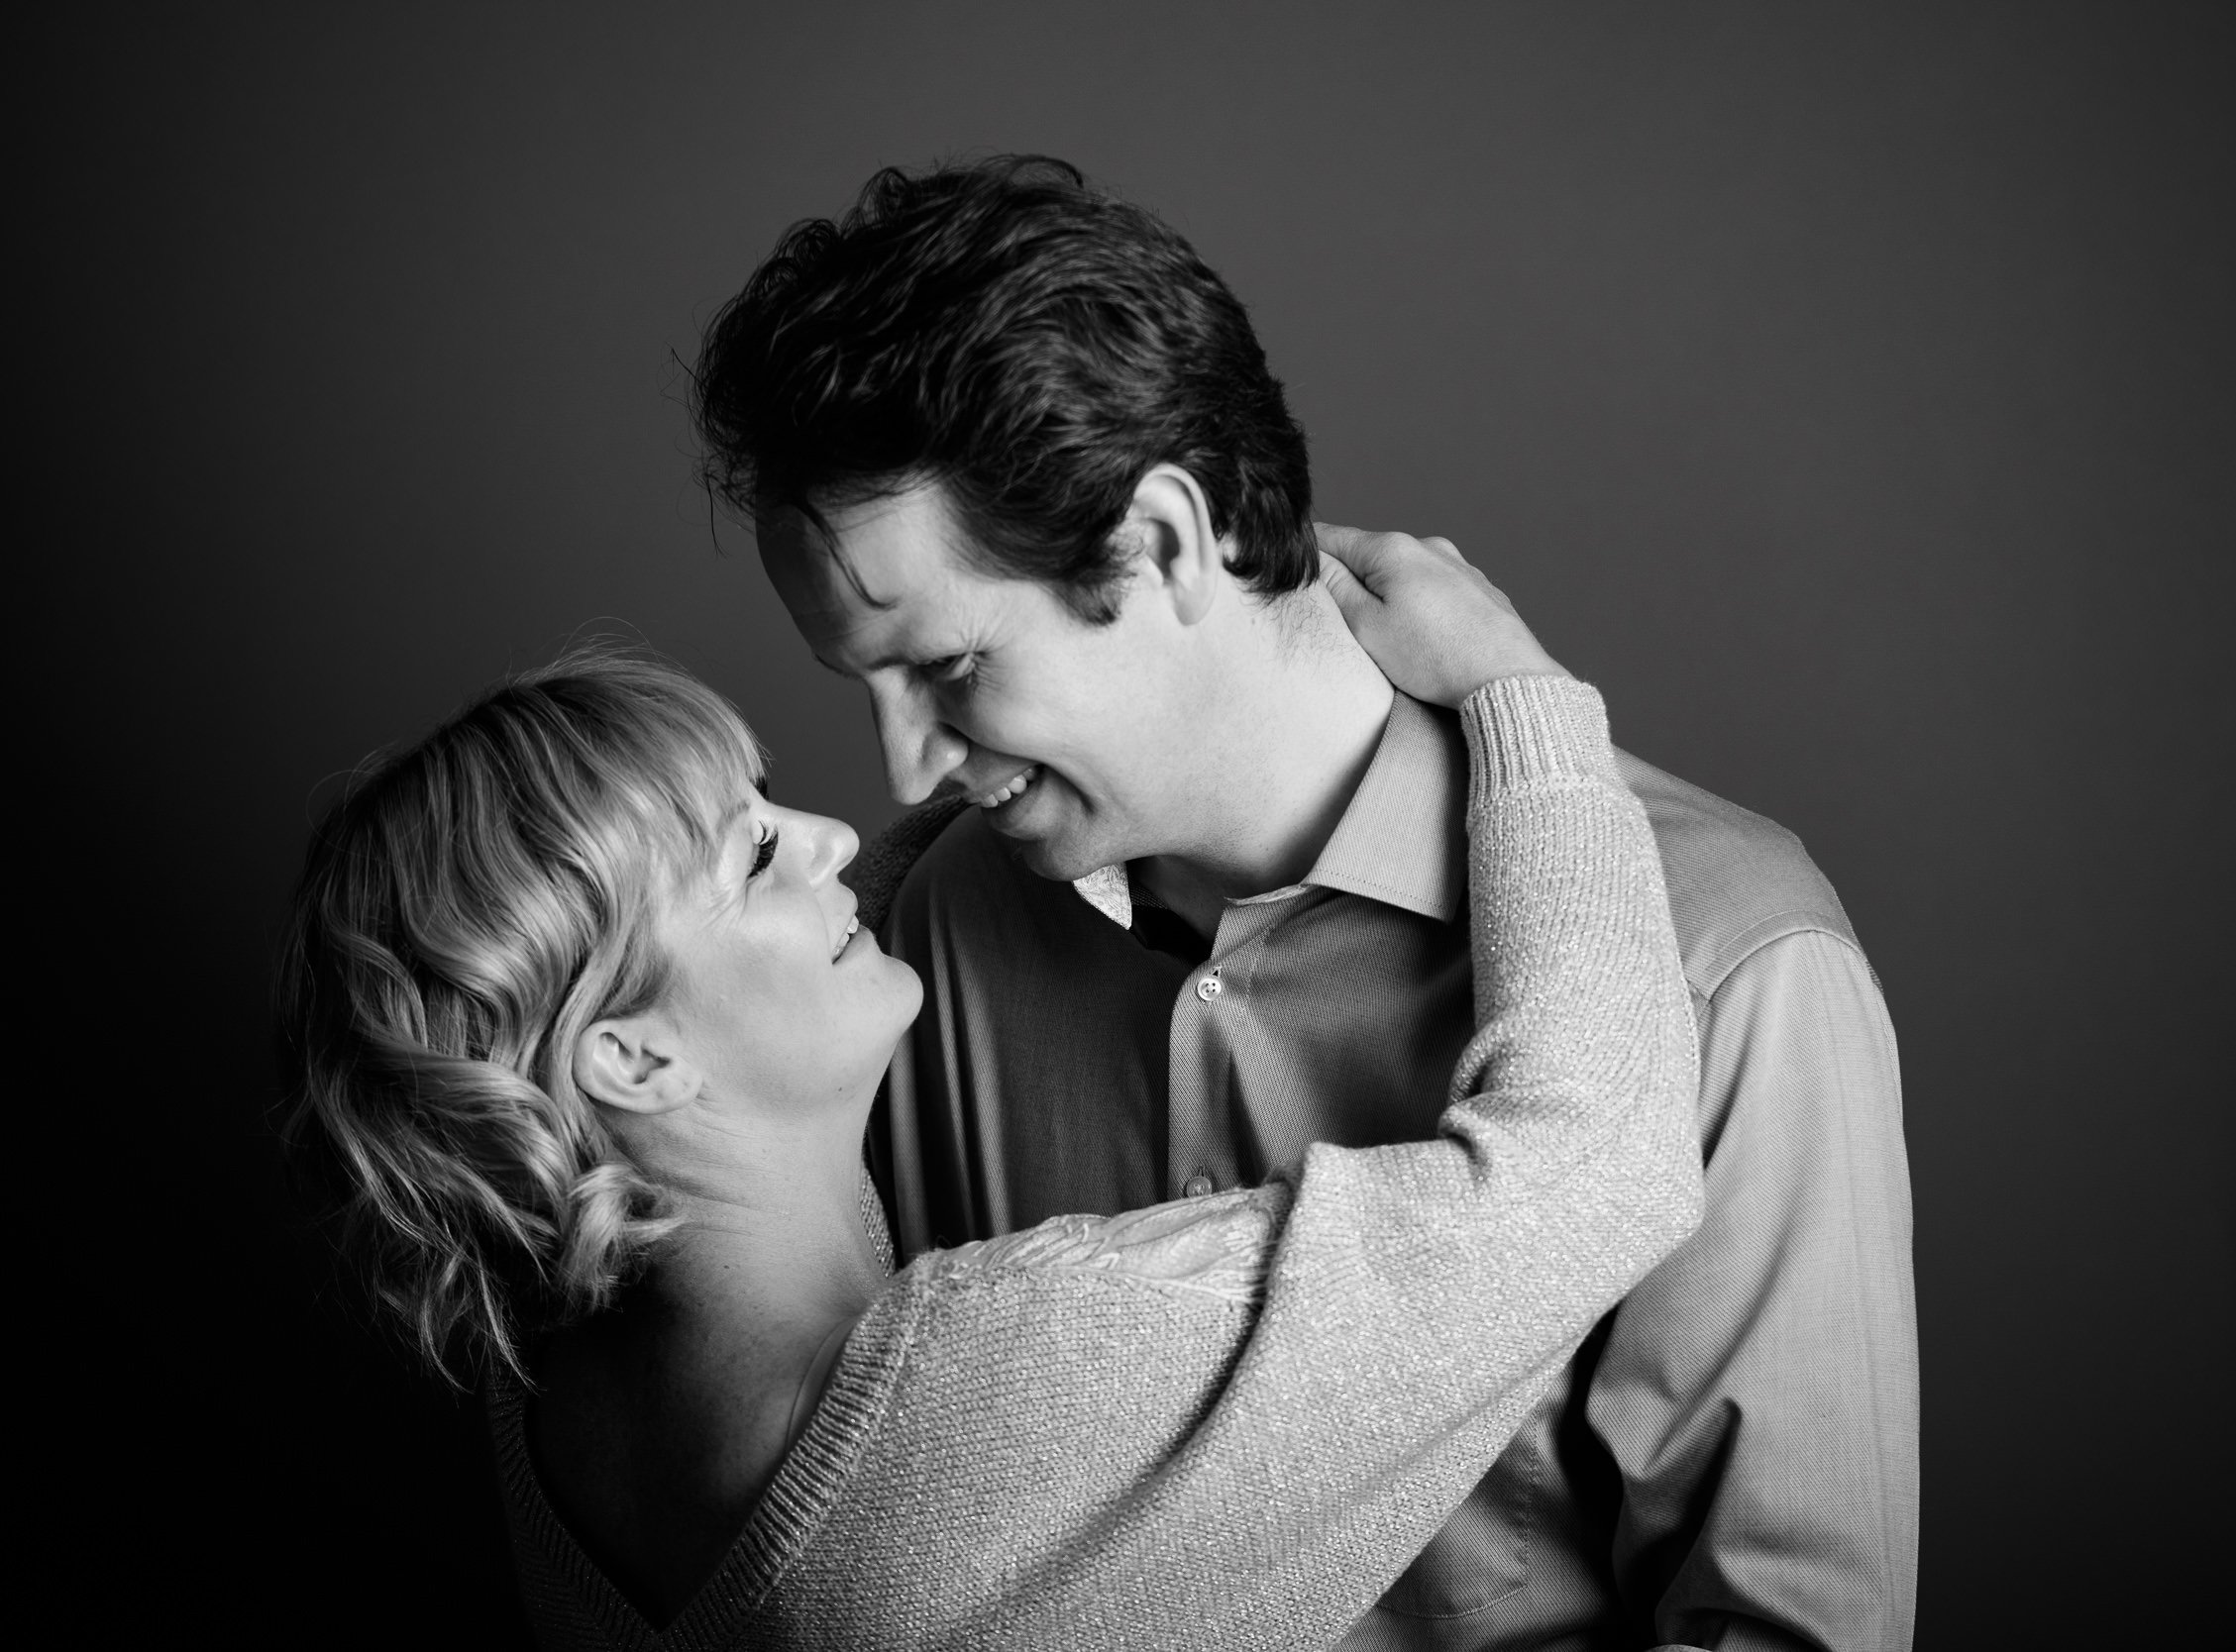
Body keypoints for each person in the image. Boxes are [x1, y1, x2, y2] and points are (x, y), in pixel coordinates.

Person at [699, 155, 1917, 1650]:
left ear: (1157, 543)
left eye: (949, 667)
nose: (904, 767)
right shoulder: (904, 952)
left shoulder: (1731, 961)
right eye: (867, 687)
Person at [276, 535, 1704, 1650]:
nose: (835, 833)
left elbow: (838, 915)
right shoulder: (991, 1403)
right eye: (754, 859)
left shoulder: (552, 1410)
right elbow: (1591, 1175)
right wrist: (1521, 693)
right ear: (634, 1061)